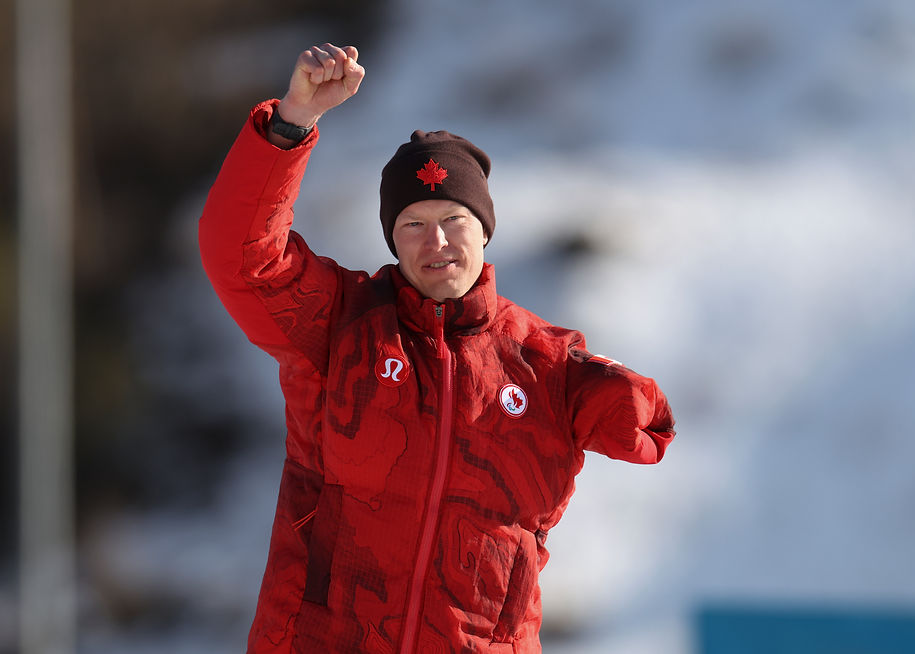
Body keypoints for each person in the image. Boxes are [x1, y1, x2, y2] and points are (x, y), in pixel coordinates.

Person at [199, 42, 675, 654]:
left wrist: (626, 402)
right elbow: (242, 257)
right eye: (412, 225)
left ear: (484, 227)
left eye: (453, 218)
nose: (437, 241)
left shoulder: (544, 367)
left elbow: (649, 428)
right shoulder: (338, 323)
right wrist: (292, 121)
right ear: (393, 240)